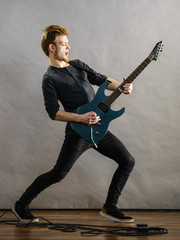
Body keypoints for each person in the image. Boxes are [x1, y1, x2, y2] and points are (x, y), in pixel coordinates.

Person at [12, 25, 135, 223]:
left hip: (99, 128)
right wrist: (80, 118)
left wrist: (122, 86)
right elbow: (53, 113)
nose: (69, 48)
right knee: (58, 173)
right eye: (64, 44)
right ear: (52, 47)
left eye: (68, 44)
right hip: (78, 132)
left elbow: (102, 80)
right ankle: (21, 205)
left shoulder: (78, 65)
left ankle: (110, 206)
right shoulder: (49, 78)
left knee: (127, 161)